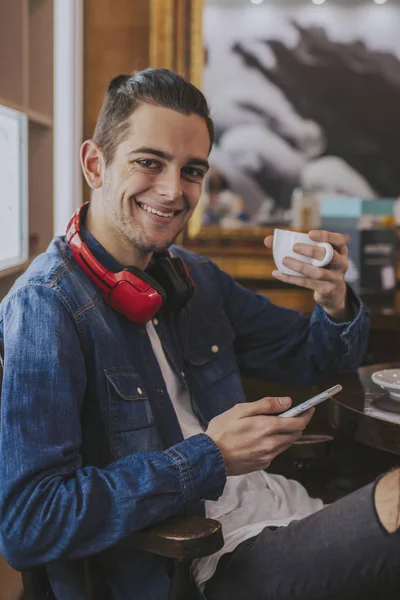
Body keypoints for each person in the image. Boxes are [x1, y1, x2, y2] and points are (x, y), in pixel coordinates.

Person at [0, 69, 398, 600]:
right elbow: (30, 524)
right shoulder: (44, 306)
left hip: (280, 507)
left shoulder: (194, 276)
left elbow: (318, 359)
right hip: (201, 565)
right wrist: (209, 456)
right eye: (149, 162)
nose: (173, 190)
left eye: (191, 170)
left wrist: (335, 300)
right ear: (95, 164)